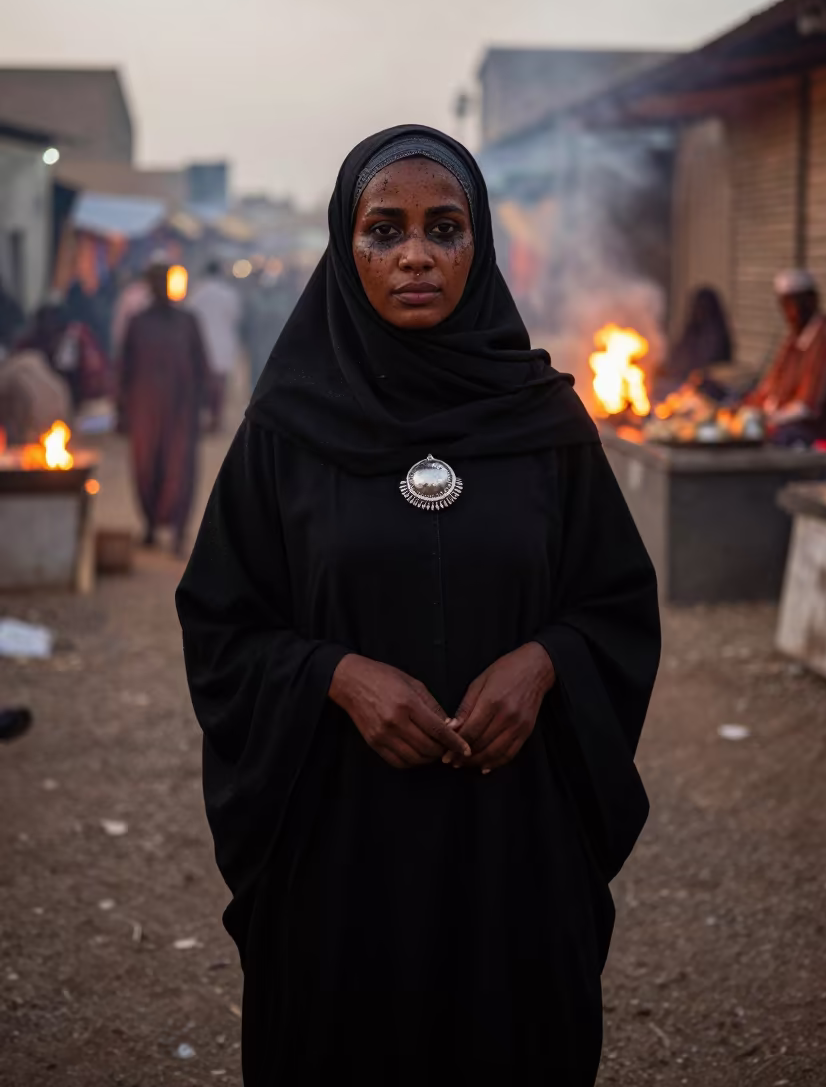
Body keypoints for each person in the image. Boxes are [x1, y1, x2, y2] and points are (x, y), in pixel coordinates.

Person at [176, 126, 660, 1087]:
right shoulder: (285, 433)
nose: (414, 256)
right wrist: (335, 676)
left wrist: (546, 661)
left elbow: (615, 603)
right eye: (383, 230)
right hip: (339, 850)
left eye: (445, 229)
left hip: (513, 843)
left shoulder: (548, 427)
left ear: (478, 247)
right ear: (343, 248)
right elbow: (222, 623)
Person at [119, 263, 209, 555]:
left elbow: (201, 365)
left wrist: (206, 407)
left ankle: (179, 532)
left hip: (181, 410)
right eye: (155, 281)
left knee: (180, 471)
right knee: (145, 469)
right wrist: (121, 410)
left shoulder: (188, 321)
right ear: (148, 285)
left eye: (164, 281)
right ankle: (149, 526)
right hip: (144, 410)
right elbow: (124, 368)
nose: (160, 286)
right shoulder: (137, 323)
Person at [745, 269, 826, 445]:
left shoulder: (825, 339)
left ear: (812, 300)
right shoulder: (794, 339)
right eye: (786, 305)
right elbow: (771, 385)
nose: (791, 313)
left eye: (797, 304)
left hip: (813, 428)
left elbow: (807, 406)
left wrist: (769, 419)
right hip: (778, 417)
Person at [188, 261, 242, 432]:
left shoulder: (197, 293)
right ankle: (216, 419)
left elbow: (189, 316)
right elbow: (236, 317)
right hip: (223, 343)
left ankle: (206, 419)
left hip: (202, 344)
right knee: (219, 385)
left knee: (203, 384)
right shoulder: (229, 294)